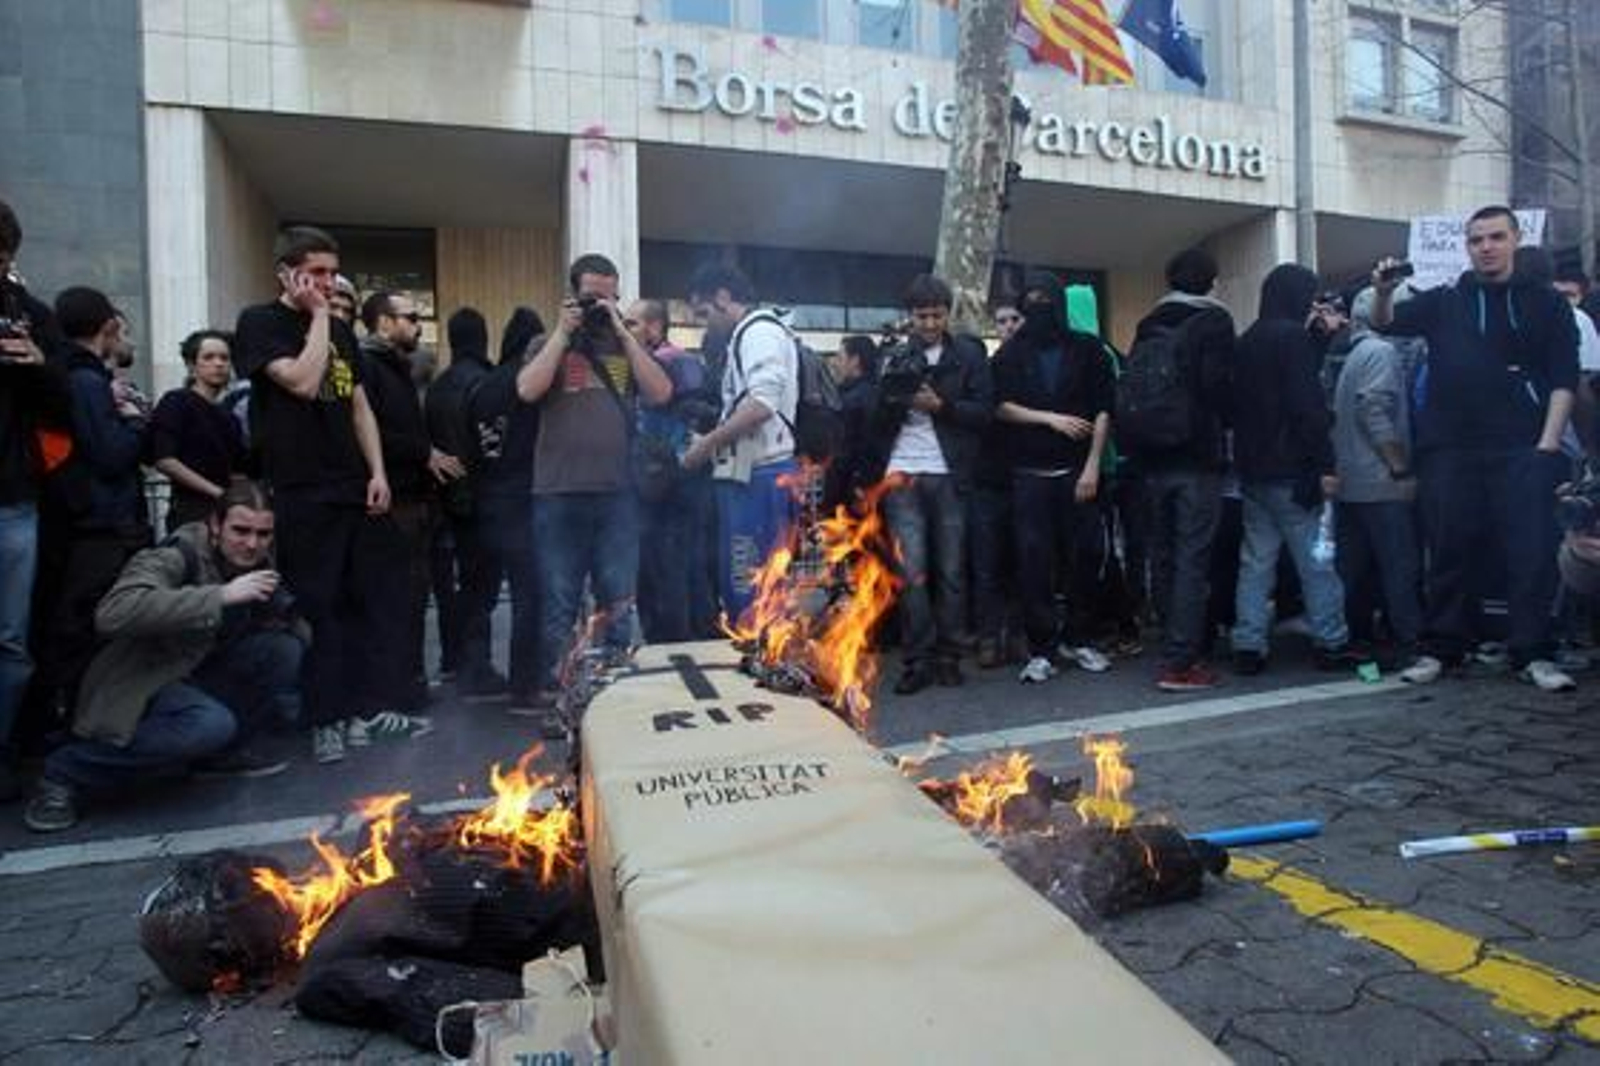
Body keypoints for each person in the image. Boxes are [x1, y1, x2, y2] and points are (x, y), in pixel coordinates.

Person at [233, 226, 426, 765]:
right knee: (320, 608)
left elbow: (358, 405)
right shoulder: (261, 323)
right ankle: (326, 718)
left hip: (352, 486)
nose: (326, 283)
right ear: (286, 273)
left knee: (369, 601)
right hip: (303, 487)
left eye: (332, 274)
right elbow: (300, 380)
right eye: (315, 272)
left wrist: (377, 471)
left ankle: (365, 708)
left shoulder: (341, 331)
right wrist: (318, 317)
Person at [1373, 206, 1581, 691]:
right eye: (1476, 239)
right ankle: (1442, 647)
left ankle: (1532, 651)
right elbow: (1385, 324)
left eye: (1495, 237)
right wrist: (1382, 292)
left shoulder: (1547, 304)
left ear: (1515, 239)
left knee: (1529, 552)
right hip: (1450, 448)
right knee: (1448, 549)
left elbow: (1563, 377)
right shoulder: (1446, 300)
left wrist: (1547, 446)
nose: (1486, 247)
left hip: (1522, 448)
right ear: (1467, 247)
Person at [22, 482, 307, 832]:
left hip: (194, 670)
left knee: (282, 651)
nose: (252, 544)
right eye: (240, 531)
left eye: (263, 534)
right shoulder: (176, 554)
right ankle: (65, 774)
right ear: (215, 525)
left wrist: (288, 617)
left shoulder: (256, 561)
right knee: (208, 724)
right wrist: (220, 595)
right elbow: (113, 612)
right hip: (142, 679)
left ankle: (216, 756)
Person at [516, 255, 672, 714]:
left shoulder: (625, 345)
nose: (601, 306)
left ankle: (614, 700)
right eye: (592, 297)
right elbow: (526, 390)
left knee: (618, 603)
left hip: (617, 496)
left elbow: (662, 392)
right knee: (559, 604)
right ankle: (561, 700)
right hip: (558, 494)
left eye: (609, 297)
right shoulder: (547, 342)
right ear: (572, 295)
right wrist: (563, 333)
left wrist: (623, 331)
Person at [859, 275, 993, 693]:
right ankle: (918, 659)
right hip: (901, 471)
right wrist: (892, 399)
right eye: (922, 316)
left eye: (936, 315)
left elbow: (984, 412)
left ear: (947, 313)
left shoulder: (969, 355)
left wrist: (941, 406)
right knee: (911, 572)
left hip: (950, 473)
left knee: (952, 570)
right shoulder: (894, 356)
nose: (930, 324)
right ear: (911, 317)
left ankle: (949, 656)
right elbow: (873, 422)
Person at [29, 287, 151, 733]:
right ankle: (85, 728)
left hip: (89, 524)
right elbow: (111, 454)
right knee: (89, 632)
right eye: (123, 328)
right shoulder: (86, 381)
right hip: (100, 528)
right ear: (109, 327)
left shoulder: (74, 376)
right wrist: (136, 422)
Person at [1122, 249, 1236, 691]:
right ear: (1211, 282)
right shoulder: (1214, 321)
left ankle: (1171, 643)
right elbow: (1219, 388)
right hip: (1196, 457)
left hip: (1151, 460)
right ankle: (1182, 661)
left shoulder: (1148, 324)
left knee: (1163, 554)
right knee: (1193, 557)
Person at [1229, 264, 1352, 675]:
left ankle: (1248, 644)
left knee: (1255, 562)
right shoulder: (1293, 338)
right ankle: (1331, 641)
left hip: (1252, 468)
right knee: (1317, 562)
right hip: (1294, 470)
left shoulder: (1247, 339)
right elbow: (1306, 407)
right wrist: (1325, 463)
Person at [992, 271, 1113, 685]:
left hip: (1078, 472)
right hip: (1029, 475)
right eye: (1031, 300)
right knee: (1033, 563)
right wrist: (1050, 419)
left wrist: (1093, 465)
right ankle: (1041, 648)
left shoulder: (1088, 349)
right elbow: (1000, 406)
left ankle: (1080, 638)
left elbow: (1103, 409)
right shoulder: (1010, 354)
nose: (1038, 307)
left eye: (1045, 299)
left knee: (1086, 556)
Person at [359, 291, 465, 710]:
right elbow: (369, 430)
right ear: (384, 322)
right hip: (394, 503)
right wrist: (423, 453)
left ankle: (409, 685)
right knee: (398, 601)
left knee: (414, 598)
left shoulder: (395, 366)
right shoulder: (369, 365)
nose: (419, 326)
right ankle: (397, 692)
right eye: (410, 317)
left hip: (414, 500)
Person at [0, 199, 71, 799]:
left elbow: (65, 403)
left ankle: (4, 751)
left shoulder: (30, 316)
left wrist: (40, 365)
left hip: (13, 497)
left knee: (11, 640)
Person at [681, 264, 797, 621]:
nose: (704, 325)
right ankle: (757, 642)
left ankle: (759, 645)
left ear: (722, 297)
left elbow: (762, 403)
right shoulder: (748, 335)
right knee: (747, 581)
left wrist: (707, 445)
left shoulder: (759, 332)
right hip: (749, 473)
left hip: (761, 474)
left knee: (749, 581)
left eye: (704, 313)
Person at [1333, 289, 1437, 683]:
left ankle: (1358, 642)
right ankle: (1411, 643)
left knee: (1356, 570)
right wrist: (1400, 468)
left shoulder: (1355, 353)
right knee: (1400, 567)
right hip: (1381, 482)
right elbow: (1373, 410)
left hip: (1354, 480)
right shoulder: (1382, 353)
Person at [426, 307, 505, 698]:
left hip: (443, 499)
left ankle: (453, 659)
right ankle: (478, 668)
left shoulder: (437, 386)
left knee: (450, 586)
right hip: (482, 500)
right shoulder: (486, 382)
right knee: (480, 587)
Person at [627, 298, 714, 644]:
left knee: (670, 571)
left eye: (632, 323)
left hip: (672, 485)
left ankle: (675, 645)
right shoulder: (673, 361)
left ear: (654, 326)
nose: (624, 330)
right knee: (677, 569)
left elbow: (675, 406)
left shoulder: (672, 361)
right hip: (667, 483)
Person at [471, 307, 545, 709]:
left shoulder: (484, 384)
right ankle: (525, 684)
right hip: (523, 500)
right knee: (528, 597)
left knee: (479, 595)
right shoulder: (528, 382)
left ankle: (474, 672)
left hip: (485, 499)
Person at [149, 329, 246, 532]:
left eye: (225, 358)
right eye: (209, 357)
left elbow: (237, 469)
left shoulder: (229, 417)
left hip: (226, 514)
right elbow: (164, 460)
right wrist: (217, 492)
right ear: (192, 366)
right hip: (190, 513)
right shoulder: (176, 401)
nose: (219, 364)